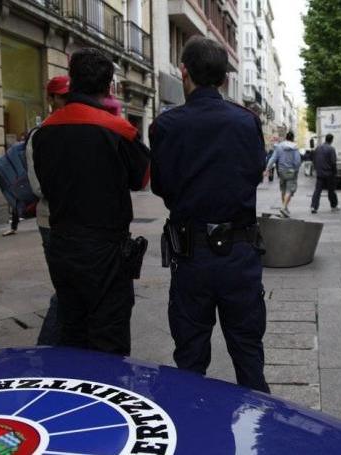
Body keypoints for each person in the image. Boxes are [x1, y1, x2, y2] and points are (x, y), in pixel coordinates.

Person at [149, 37, 269, 393]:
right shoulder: (246, 121)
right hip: (240, 251)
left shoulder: (166, 125)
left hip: (192, 252)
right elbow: (254, 172)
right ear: (224, 78)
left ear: (183, 71)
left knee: (189, 357)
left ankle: (191, 428)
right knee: (248, 353)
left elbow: (161, 186)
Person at [32, 48, 150, 356]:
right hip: (105, 250)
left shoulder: (45, 131)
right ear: (109, 85)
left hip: (61, 243)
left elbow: (44, 183)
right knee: (108, 334)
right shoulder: (119, 130)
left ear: (72, 81)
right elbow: (141, 178)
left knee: (72, 327)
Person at [27, 75, 69, 346]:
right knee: (65, 288)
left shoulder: (71, 129)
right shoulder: (40, 135)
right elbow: (37, 186)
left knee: (70, 286)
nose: (65, 100)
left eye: (68, 95)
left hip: (71, 221)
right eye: (60, 96)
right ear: (50, 99)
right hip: (51, 222)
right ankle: (45, 348)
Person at [266, 132, 301, 217]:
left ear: (286, 137)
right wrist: (296, 170)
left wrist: (267, 168)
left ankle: (285, 208)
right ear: (292, 138)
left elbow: (273, 158)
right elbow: (297, 161)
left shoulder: (279, 146)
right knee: (289, 190)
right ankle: (284, 207)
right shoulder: (295, 147)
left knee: (283, 190)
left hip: (281, 171)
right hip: (291, 171)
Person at [310, 133, 339, 213]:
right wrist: (335, 172)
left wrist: (316, 169)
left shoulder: (318, 148)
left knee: (317, 191)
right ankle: (334, 206)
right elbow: (333, 162)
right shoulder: (331, 149)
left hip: (320, 173)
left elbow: (314, 159)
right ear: (332, 140)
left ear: (325, 139)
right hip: (329, 173)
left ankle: (314, 206)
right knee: (331, 191)